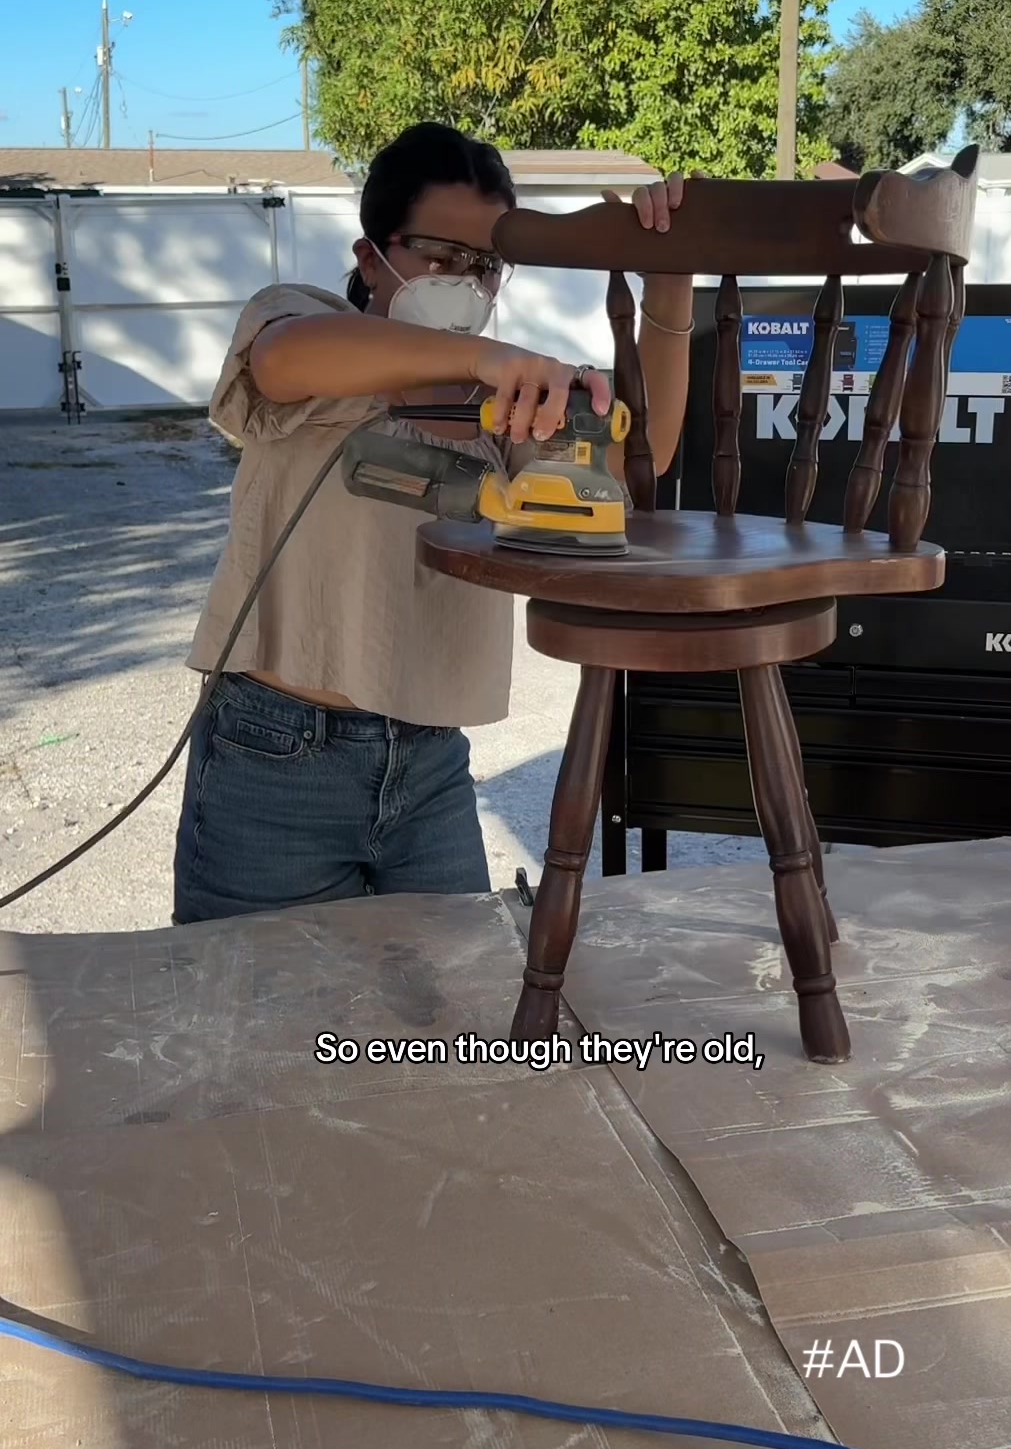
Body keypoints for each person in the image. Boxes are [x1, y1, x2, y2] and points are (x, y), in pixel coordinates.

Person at [173, 122, 695, 923]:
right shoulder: (302, 322)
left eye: (486, 265)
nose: (467, 284)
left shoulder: (508, 404)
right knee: (258, 1019)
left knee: (442, 1013)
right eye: (440, 257)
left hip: (430, 764)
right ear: (370, 256)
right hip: (274, 753)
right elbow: (281, 362)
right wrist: (482, 358)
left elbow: (641, 459)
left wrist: (669, 283)